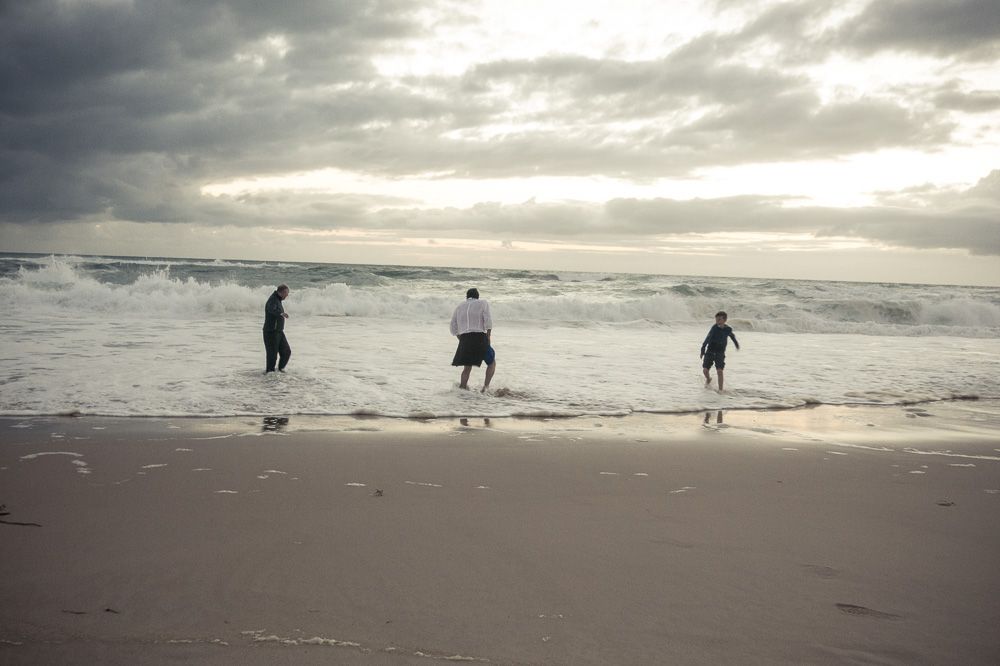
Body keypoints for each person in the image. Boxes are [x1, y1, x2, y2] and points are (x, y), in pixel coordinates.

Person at [450, 288, 493, 390]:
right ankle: (485, 388)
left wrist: (460, 338)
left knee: (467, 367)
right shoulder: (483, 303)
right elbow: (488, 320)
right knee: (491, 363)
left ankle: (462, 388)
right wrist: (488, 336)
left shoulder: (460, 306)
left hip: (465, 338)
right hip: (479, 337)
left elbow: (453, 326)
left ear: (467, 296)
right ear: (478, 296)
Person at [700, 310, 739, 391]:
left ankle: (720, 390)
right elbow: (707, 339)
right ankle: (708, 378)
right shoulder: (714, 328)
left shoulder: (728, 329)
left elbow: (732, 336)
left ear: (724, 320)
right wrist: (702, 350)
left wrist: (736, 344)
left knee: (720, 371)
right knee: (705, 370)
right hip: (710, 351)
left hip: (720, 353)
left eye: (719, 319)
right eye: (716, 319)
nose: (717, 321)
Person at [263, 284, 291, 373]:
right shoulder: (273, 299)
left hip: (278, 332)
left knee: (286, 352)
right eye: (286, 293)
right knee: (272, 356)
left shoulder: (278, 300)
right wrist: (281, 313)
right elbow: (271, 309)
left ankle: (280, 370)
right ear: (282, 292)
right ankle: (269, 376)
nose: (287, 295)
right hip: (271, 332)